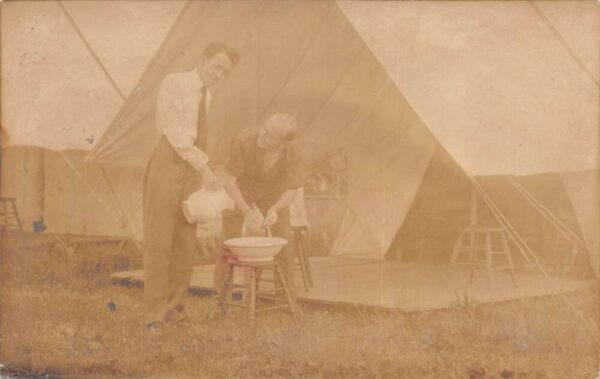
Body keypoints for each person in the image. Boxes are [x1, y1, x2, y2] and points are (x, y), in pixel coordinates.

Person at [143, 42, 240, 331]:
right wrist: (204, 166)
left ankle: (176, 311)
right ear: (203, 59)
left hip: (192, 168)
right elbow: (174, 133)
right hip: (169, 161)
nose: (220, 75)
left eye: (226, 72)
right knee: (161, 240)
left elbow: (198, 138)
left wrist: (203, 169)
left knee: (185, 242)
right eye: (216, 67)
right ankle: (154, 315)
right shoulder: (175, 83)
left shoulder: (207, 95)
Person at [214, 113, 304, 296]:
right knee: (228, 242)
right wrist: (246, 210)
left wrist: (275, 209)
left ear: (282, 144)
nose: (262, 135)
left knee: (284, 243)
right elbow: (230, 180)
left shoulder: (293, 152)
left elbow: (292, 189)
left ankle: (286, 299)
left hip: (273, 196)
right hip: (240, 191)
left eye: (269, 135)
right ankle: (220, 296)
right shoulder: (244, 140)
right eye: (264, 128)